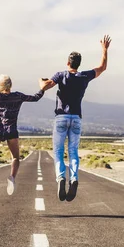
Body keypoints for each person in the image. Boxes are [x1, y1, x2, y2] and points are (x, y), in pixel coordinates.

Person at [39, 35, 111, 202]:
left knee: (58, 151)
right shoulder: (84, 76)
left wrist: (40, 81)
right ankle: (74, 179)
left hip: (61, 118)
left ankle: (61, 178)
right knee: (73, 152)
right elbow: (102, 67)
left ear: (68, 62)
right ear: (79, 64)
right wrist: (104, 50)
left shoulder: (61, 75)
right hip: (76, 119)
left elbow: (44, 87)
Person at [0, 63, 45, 195]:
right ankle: (12, 177)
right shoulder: (18, 96)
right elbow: (35, 98)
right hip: (12, 131)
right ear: (10, 85)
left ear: (0, 85)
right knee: (15, 158)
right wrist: (42, 89)